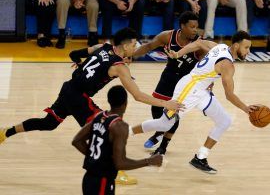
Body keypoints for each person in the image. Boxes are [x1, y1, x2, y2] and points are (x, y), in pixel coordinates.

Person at [0, 28, 181, 145]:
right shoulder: (120, 68)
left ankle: (5, 132)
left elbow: (73, 53)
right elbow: (138, 96)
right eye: (134, 44)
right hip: (79, 98)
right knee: (108, 129)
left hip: (68, 88)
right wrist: (167, 104)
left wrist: (80, 64)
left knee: (48, 123)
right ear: (125, 46)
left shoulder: (101, 46)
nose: (137, 47)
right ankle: (114, 169)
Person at [130, 30, 257, 174]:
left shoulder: (220, 46)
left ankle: (200, 157)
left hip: (201, 91)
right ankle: (127, 131)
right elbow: (229, 95)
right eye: (246, 47)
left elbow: (198, 43)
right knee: (164, 123)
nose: (248, 51)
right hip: (188, 89)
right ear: (235, 46)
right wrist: (246, 108)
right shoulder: (227, 65)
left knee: (225, 121)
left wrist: (178, 54)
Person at [134, 11, 213, 155]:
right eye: (192, 27)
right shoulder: (168, 36)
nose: (195, 30)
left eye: (197, 27)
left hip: (185, 81)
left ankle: (163, 146)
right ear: (182, 26)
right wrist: (131, 55)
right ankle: (159, 132)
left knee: (173, 113)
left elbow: (207, 67)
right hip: (169, 75)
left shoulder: (199, 44)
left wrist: (208, 84)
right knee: (156, 107)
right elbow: (148, 47)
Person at [72, 85, 163, 195]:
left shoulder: (99, 116)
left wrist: (95, 157)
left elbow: (77, 141)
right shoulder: (120, 126)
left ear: (109, 101)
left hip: (88, 178)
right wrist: (149, 161)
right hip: (102, 182)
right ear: (126, 103)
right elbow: (120, 163)